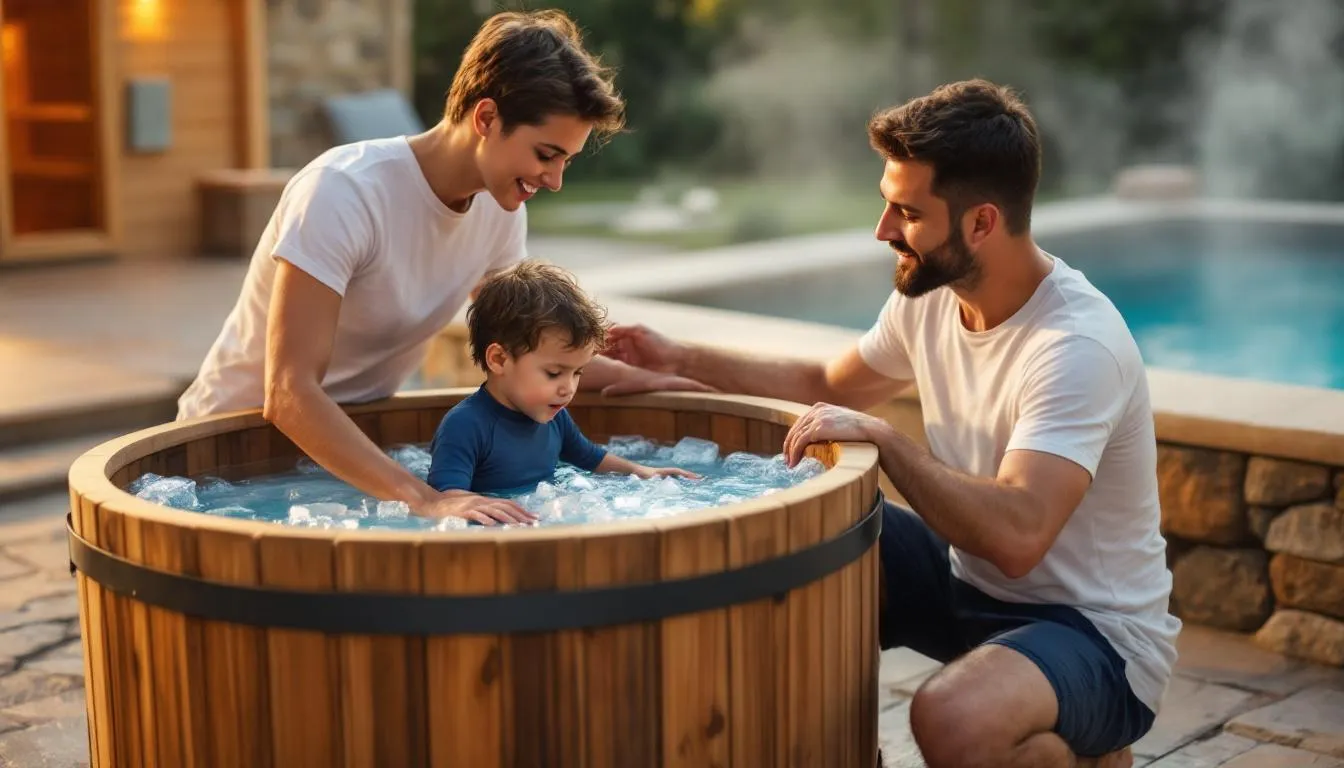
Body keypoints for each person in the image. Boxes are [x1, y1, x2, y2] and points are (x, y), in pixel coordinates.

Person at [602, 79, 1179, 767]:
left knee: (951, 718)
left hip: (1095, 638)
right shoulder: (932, 296)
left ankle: (1081, 737)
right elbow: (824, 384)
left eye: (906, 212)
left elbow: (1021, 533)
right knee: (804, 535)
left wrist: (889, 441)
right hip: (970, 587)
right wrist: (676, 357)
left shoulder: (1075, 346)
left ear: (981, 223)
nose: (883, 231)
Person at [176, 9, 706, 525]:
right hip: (227, 459)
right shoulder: (344, 192)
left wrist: (647, 378)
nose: (554, 180)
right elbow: (289, 393)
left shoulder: (498, 214)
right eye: (546, 154)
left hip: (358, 451)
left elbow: (532, 349)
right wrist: (426, 500)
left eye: (565, 159)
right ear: (486, 117)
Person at [426, 261, 696, 513]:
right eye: (554, 373)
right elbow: (445, 500)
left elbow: (591, 458)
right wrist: (465, 504)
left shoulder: (554, 418)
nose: (568, 388)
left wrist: (642, 471)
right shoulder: (465, 426)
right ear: (499, 359)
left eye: (577, 372)